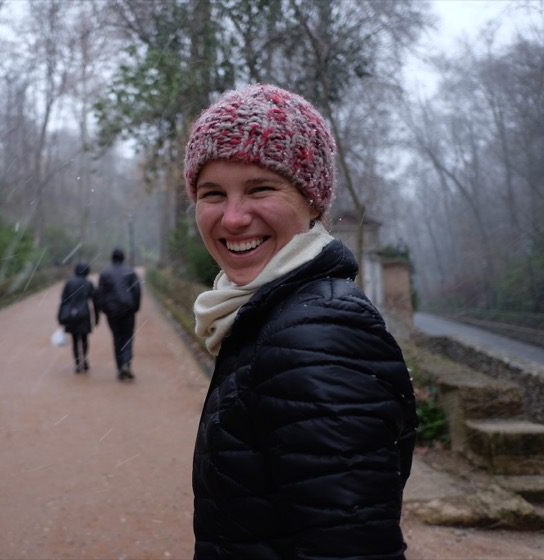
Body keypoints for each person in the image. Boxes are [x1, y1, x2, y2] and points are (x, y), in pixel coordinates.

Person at [184, 84, 418, 558]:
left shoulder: (321, 333)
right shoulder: (262, 312)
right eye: (213, 194)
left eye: (260, 188)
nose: (232, 218)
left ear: (312, 201)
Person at [97, 248, 141, 381]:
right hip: (128, 309)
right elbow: (137, 290)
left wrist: (104, 309)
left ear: (112, 258)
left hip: (112, 311)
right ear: (123, 258)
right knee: (128, 337)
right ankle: (126, 363)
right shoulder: (130, 272)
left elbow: (100, 293)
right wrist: (135, 307)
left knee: (117, 338)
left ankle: (120, 366)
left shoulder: (105, 273)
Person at [58, 261, 99, 373]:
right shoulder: (88, 284)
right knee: (84, 339)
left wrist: (61, 317)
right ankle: (84, 359)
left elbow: (63, 301)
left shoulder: (69, 283)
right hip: (84, 315)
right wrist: (96, 317)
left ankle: (77, 363)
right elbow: (95, 301)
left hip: (72, 315)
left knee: (75, 340)